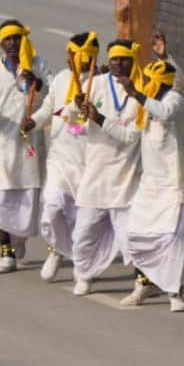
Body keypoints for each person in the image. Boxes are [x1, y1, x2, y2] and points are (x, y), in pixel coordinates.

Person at [0, 21, 50, 273]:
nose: (13, 43)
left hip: (28, 145)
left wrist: (35, 82)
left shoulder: (39, 65)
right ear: (1, 43)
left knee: (26, 201)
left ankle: (19, 239)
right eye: (9, 39)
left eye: (17, 38)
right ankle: (6, 252)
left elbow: (51, 98)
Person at [113, 38, 184, 310]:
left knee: (171, 239)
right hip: (150, 184)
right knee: (138, 235)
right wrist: (98, 119)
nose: (152, 84)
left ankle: (175, 293)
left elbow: (165, 111)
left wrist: (137, 93)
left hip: (173, 184)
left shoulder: (174, 100)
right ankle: (142, 286)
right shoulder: (145, 106)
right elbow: (129, 134)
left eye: (158, 80)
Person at [70, 40, 145, 295]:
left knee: (130, 239)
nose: (118, 63)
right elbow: (73, 127)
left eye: (124, 59)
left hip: (126, 176)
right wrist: (75, 108)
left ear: (132, 61)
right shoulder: (95, 84)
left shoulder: (141, 90)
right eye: (114, 59)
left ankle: (143, 283)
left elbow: (131, 136)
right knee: (83, 233)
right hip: (96, 174)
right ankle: (83, 274)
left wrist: (99, 118)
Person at [37, 32, 100, 282]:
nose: (70, 58)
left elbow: (96, 125)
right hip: (59, 159)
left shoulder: (101, 84)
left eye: (74, 54)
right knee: (52, 209)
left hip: (87, 161)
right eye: (70, 54)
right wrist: (34, 121)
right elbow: (48, 108)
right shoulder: (62, 78)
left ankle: (80, 265)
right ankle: (56, 250)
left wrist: (78, 111)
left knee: (80, 221)